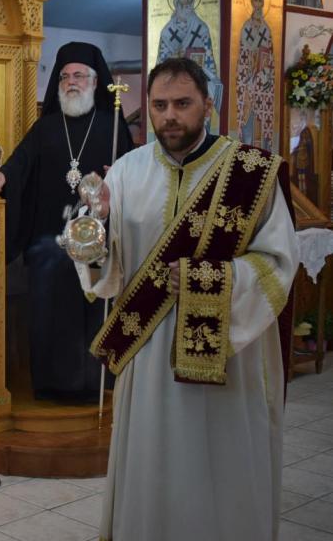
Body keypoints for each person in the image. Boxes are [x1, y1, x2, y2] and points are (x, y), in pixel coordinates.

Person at [75, 57, 297, 541]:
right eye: (159, 106)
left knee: (221, 468)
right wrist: (97, 225)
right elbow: (103, 271)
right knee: (152, 463)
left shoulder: (250, 173)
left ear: (207, 105)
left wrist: (212, 279)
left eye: (182, 103)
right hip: (149, 356)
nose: (170, 116)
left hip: (230, 357)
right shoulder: (127, 172)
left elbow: (279, 265)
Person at [0, 42, 133, 401]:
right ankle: (53, 385)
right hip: (51, 238)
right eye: (64, 76)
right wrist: (3, 175)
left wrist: (121, 177)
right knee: (50, 271)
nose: (71, 82)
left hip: (98, 238)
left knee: (94, 300)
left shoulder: (111, 126)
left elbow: (131, 174)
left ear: (95, 81)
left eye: (79, 75)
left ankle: (95, 384)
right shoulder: (46, 127)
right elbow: (21, 161)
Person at [158, 0, 224, 121]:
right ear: (177, 0)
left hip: (196, 81)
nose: (187, 0)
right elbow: (160, 67)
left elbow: (209, 61)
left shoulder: (202, 28)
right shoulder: (167, 32)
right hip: (174, 84)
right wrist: (174, 58)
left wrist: (201, 69)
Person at [236, 0, 275, 152]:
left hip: (263, 87)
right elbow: (242, 57)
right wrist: (249, 67)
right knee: (248, 121)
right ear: (251, 2)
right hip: (248, 83)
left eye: (261, 0)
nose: (258, 4)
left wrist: (266, 73)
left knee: (262, 122)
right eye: (255, 0)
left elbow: (270, 58)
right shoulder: (246, 27)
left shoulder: (267, 29)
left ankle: (263, 155)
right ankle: (246, 153)